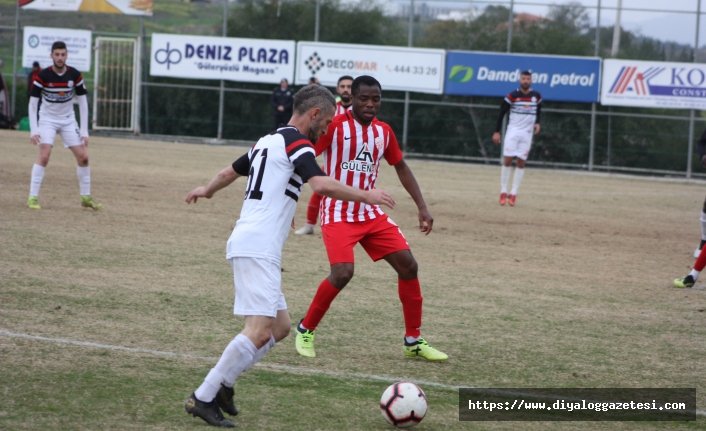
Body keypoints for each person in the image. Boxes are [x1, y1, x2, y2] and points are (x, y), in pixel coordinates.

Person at [182, 84, 395, 428]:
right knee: (258, 330)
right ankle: (204, 396)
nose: (326, 129)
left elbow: (227, 173)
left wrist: (206, 190)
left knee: (279, 328)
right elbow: (322, 185)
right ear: (313, 114)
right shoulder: (299, 142)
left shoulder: (266, 141)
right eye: (325, 122)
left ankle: (224, 386)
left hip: (254, 243)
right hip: (258, 246)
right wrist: (366, 195)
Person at [294, 75, 448, 362]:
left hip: (370, 214)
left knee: (409, 266)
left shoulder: (384, 132)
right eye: (363, 98)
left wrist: (422, 206)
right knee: (342, 273)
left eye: (375, 99)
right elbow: (303, 159)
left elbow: (400, 166)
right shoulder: (334, 126)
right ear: (351, 98)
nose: (370, 104)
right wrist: (288, 201)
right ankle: (305, 328)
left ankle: (413, 339)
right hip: (339, 212)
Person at [27, 41, 103, 210]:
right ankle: (32, 198)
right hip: (47, 120)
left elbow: (83, 103)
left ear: (66, 55)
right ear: (51, 56)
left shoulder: (74, 75)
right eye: (57, 54)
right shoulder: (43, 76)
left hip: (68, 120)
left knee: (84, 157)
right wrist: (34, 129)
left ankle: (86, 198)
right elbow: (33, 103)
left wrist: (84, 130)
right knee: (44, 156)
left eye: (63, 54)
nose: (60, 58)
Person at [294, 75, 355, 235]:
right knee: (319, 189)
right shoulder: (332, 108)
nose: (346, 89)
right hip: (334, 157)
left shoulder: (359, 111)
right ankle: (309, 225)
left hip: (352, 159)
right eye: (343, 86)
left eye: (349, 86)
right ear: (337, 89)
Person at [492, 70, 541, 207]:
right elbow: (502, 112)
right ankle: (503, 190)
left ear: (531, 81)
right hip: (513, 132)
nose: (525, 81)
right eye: (523, 78)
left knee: (521, 162)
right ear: (520, 80)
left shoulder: (536, 96)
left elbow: (539, 110)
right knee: (508, 159)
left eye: (528, 78)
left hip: (527, 134)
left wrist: (537, 122)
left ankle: (513, 193)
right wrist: (497, 131)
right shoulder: (513, 96)